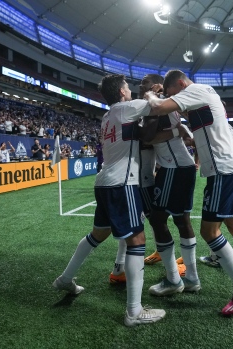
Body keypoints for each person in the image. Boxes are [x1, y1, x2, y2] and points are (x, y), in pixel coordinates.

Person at [144, 69, 233, 316]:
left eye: (173, 93)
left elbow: (160, 108)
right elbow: (188, 115)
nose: (175, 101)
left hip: (222, 171)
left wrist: (153, 95)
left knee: (209, 231)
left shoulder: (195, 90)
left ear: (181, 84)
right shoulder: (203, 94)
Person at [52, 74, 165, 327]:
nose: (131, 90)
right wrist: (153, 92)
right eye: (128, 87)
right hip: (122, 184)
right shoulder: (128, 108)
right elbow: (158, 106)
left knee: (97, 235)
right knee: (137, 240)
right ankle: (134, 312)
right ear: (123, 92)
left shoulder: (107, 116)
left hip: (103, 182)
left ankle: (65, 278)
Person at [136, 74, 200, 297]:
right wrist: (178, 131)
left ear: (154, 85)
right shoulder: (166, 104)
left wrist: (176, 131)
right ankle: (191, 278)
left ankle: (174, 279)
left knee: (158, 219)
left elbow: (146, 138)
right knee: (182, 220)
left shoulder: (158, 104)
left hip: (174, 169)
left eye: (144, 83)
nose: (141, 87)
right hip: (180, 167)